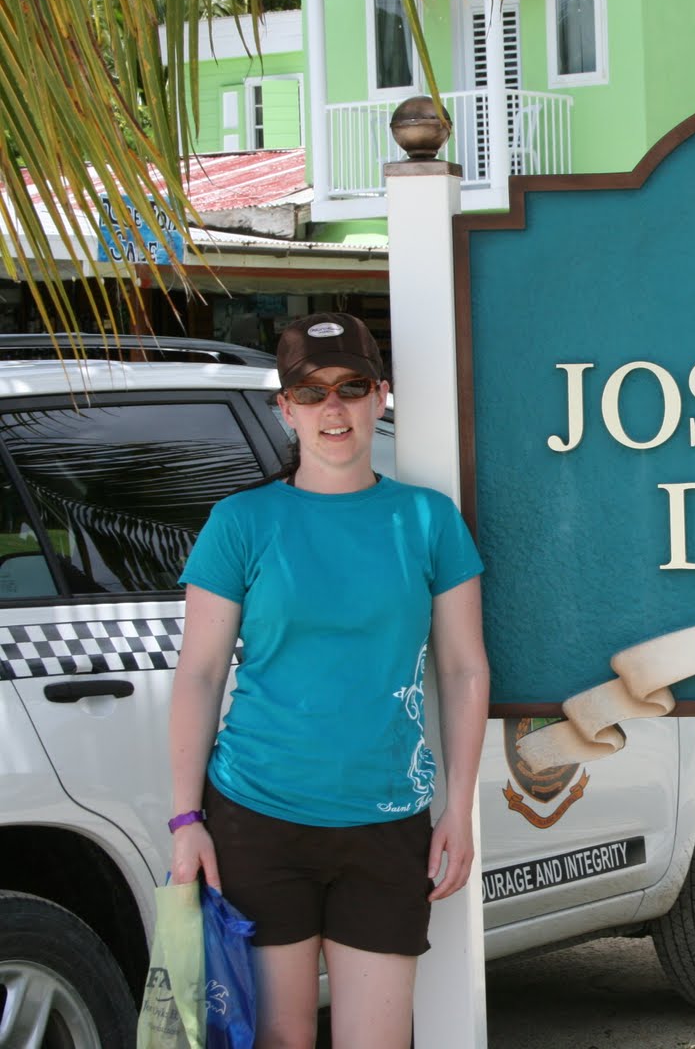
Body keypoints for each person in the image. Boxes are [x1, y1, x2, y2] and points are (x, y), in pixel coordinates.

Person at [168, 312, 490, 1049]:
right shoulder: (241, 522)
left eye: (350, 387)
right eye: (311, 393)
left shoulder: (427, 520)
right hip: (257, 816)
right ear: (286, 409)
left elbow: (463, 666)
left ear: (380, 396)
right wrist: (187, 822)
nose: (332, 408)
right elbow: (200, 675)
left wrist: (459, 808)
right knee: (278, 1040)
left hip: (387, 819)